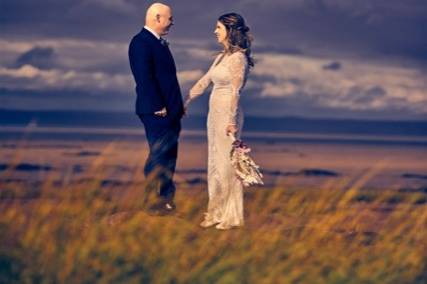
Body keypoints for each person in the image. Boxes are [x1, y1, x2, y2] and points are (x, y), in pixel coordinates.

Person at [184, 13, 254, 229]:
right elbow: (205, 81)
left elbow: (235, 91)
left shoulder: (238, 59)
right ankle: (215, 212)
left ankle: (231, 216)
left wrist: (231, 121)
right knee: (214, 161)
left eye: (218, 28)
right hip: (213, 114)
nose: (215, 31)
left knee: (227, 164)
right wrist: (185, 101)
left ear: (229, 30)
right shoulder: (222, 57)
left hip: (227, 116)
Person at [128, 3, 184, 215]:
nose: (172, 22)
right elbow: (144, 77)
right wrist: (157, 105)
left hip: (171, 111)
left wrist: (177, 106)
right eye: (170, 19)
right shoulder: (141, 42)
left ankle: (166, 201)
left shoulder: (159, 43)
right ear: (157, 18)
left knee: (169, 156)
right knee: (159, 155)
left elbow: (169, 79)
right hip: (156, 111)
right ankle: (153, 201)